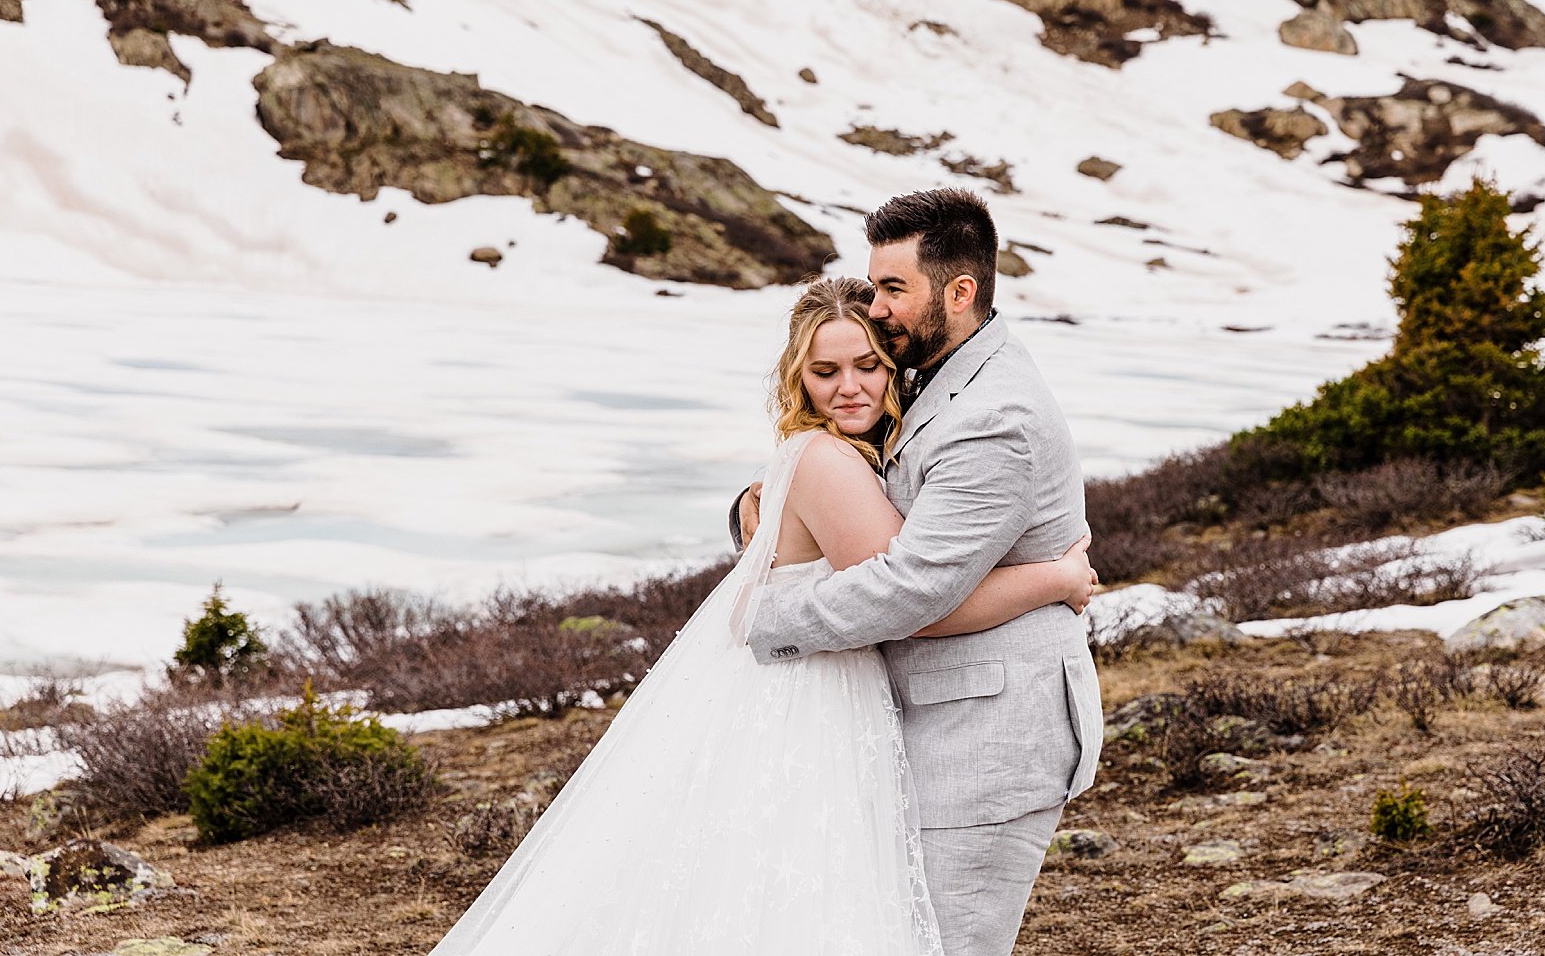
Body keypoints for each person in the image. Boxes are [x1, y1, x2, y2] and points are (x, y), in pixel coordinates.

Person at [426, 277, 1096, 956]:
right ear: (797, 378)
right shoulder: (826, 457)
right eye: (826, 371)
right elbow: (913, 605)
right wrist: (1054, 578)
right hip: (810, 701)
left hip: (823, 690)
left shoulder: (837, 449)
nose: (851, 386)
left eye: (868, 365)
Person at [740, 189, 1102, 956]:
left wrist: (769, 616)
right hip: (924, 720)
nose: (877, 305)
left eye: (893, 287)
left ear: (959, 292)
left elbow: (914, 590)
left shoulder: (994, 417)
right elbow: (840, 461)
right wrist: (760, 508)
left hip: (987, 737)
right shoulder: (929, 369)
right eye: (875, 284)